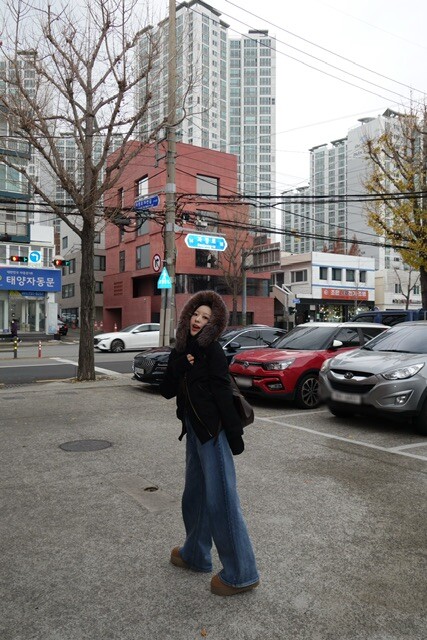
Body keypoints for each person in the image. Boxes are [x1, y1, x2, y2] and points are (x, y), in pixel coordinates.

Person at [159, 290, 259, 597]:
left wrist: (234, 435)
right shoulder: (181, 349)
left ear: (212, 324)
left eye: (205, 318)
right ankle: (195, 553)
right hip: (194, 430)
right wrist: (180, 365)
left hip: (214, 433)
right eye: (195, 314)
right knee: (195, 496)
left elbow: (222, 393)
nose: (198, 321)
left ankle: (241, 572)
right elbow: (166, 389)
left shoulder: (212, 350)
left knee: (222, 500)